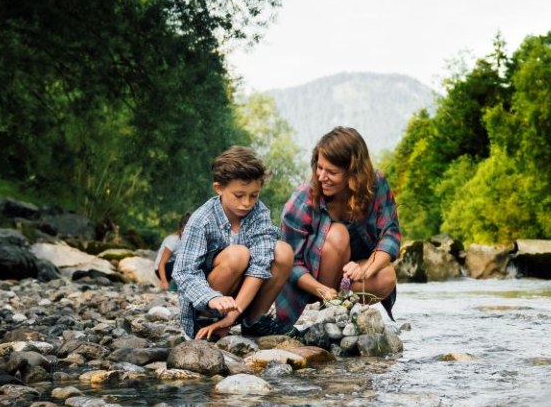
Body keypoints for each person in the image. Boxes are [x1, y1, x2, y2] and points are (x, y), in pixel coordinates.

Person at [276, 126, 402, 328]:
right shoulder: (302, 200)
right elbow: (291, 263)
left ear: (353, 173)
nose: (321, 177)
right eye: (319, 167)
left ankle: (342, 310)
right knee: (338, 234)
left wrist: (367, 269)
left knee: (387, 276)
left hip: (350, 278)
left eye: (331, 172)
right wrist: (321, 290)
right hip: (310, 283)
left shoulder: (376, 185)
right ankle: (328, 309)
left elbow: (391, 235)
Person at [171, 146, 293, 340]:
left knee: (283, 251)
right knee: (238, 254)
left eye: (254, 195)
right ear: (219, 188)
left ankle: (252, 322)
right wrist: (212, 298)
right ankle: (207, 322)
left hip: (242, 303)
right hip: (208, 302)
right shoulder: (202, 219)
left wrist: (232, 316)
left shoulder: (259, 213)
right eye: (239, 195)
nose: (247, 203)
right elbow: (183, 272)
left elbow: (261, 264)